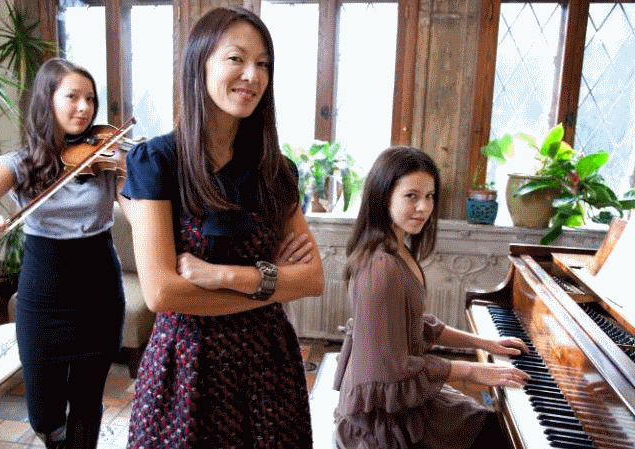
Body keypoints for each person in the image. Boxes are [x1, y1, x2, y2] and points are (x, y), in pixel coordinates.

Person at [120, 6, 324, 448]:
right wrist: (271, 280)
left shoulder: (277, 171)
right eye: (236, 59)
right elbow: (162, 293)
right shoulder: (157, 162)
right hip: (187, 368)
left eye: (263, 64)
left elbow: (311, 278)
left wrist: (223, 276)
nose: (252, 75)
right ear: (200, 63)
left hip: (269, 368)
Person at [0, 58, 126, 449]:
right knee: (43, 415)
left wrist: (137, 173)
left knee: (86, 403)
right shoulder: (19, 164)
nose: (85, 108)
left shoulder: (108, 161)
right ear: (47, 101)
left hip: (100, 292)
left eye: (91, 99)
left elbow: (139, 213)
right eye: (73, 97)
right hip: (45, 298)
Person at [333, 146, 531, 449]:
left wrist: (485, 344)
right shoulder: (380, 266)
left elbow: (418, 325)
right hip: (385, 418)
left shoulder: (398, 249)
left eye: (430, 196)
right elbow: (392, 369)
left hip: (400, 398)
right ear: (383, 196)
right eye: (411, 196)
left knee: (492, 423)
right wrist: (474, 370)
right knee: (498, 433)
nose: (424, 207)